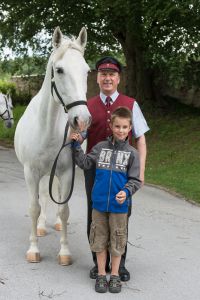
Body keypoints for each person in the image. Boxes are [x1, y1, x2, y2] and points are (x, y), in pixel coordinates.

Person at [84, 56, 150, 282]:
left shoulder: (131, 104)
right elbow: (79, 136)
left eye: (112, 74)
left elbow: (140, 139)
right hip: (96, 171)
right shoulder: (87, 105)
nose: (107, 78)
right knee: (95, 216)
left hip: (123, 170)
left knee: (121, 216)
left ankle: (118, 267)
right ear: (98, 78)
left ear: (118, 78)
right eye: (103, 74)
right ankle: (98, 265)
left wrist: (139, 172)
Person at [70, 107, 141, 293]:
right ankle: (102, 274)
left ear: (130, 128)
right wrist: (76, 146)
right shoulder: (100, 148)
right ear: (111, 126)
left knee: (117, 241)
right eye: (117, 126)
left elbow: (135, 180)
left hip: (119, 207)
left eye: (125, 127)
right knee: (99, 240)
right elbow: (84, 163)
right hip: (99, 205)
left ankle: (115, 275)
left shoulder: (133, 153)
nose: (121, 130)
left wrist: (126, 192)